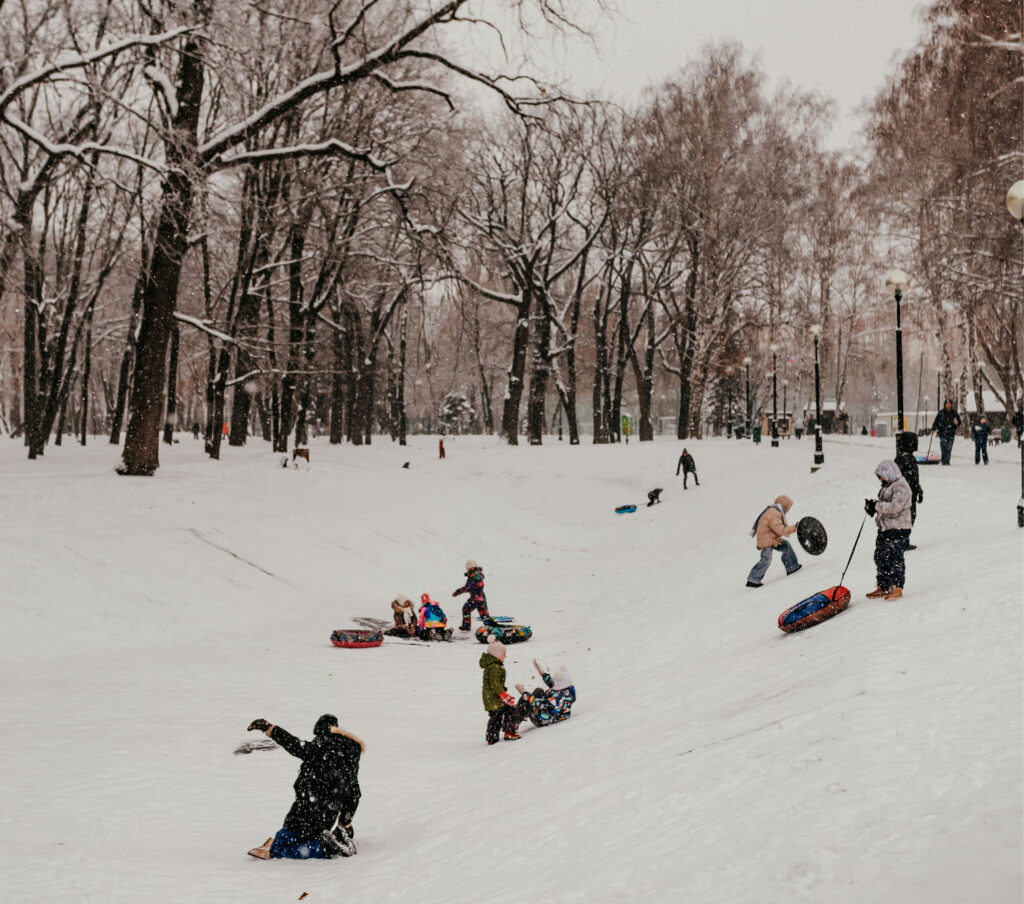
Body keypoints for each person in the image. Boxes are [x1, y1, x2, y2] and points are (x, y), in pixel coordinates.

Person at [245, 714, 364, 860]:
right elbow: (354, 792)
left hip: (308, 807)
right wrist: (345, 822)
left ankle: (322, 847)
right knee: (308, 835)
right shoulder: (350, 757)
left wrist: (270, 728)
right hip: (329, 813)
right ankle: (325, 842)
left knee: (281, 845)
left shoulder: (321, 746)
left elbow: (294, 744)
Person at [864, 459, 913, 601]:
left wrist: (877, 506)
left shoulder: (901, 486)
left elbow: (894, 508)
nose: (880, 479)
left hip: (899, 528)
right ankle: (883, 585)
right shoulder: (889, 485)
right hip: (886, 528)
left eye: (882, 476)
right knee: (881, 556)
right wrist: (873, 507)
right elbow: (885, 505)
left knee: (895, 557)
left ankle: (897, 587)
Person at [746, 495, 801, 588]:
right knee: (766, 559)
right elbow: (781, 530)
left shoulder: (773, 511)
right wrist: (795, 527)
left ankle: (792, 567)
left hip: (771, 538)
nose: (787, 510)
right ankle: (753, 579)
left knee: (786, 546)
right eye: (787, 508)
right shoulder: (774, 514)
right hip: (766, 540)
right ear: (784, 506)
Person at [513, 660, 576, 728]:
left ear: (560, 683)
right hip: (543, 710)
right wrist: (539, 669)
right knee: (538, 691)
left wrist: (525, 693)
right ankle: (520, 712)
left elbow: (544, 704)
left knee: (526, 699)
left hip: (544, 719)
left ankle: (514, 722)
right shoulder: (562, 687)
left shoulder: (564, 696)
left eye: (556, 681)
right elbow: (550, 681)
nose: (554, 682)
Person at [480, 639, 520, 745]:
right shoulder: (495, 667)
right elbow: (495, 684)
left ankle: (492, 738)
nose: (505, 656)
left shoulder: (493, 666)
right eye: (504, 654)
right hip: (494, 698)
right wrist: (504, 695)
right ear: (497, 655)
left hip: (490, 697)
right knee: (509, 710)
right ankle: (508, 732)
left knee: (495, 717)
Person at [894, 432, 923, 551]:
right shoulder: (908, 459)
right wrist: (917, 490)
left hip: (904, 494)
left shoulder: (900, 458)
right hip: (907, 495)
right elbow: (912, 478)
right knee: (908, 518)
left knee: (906, 518)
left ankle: (902, 540)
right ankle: (902, 541)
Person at [453, 559, 489, 631]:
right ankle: (489, 626)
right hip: (481, 597)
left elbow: (467, 588)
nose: (467, 571)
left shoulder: (473, 577)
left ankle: (466, 626)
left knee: (466, 609)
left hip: (475, 598)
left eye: (467, 569)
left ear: (471, 568)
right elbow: (475, 586)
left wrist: (458, 592)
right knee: (483, 613)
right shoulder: (478, 575)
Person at [931, 399, 961, 465]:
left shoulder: (954, 413)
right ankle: (944, 460)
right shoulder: (941, 413)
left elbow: (959, 422)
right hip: (942, 433)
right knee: (943, 447)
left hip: (951, 433)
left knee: (948, 448)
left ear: (951, 405)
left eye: (949, 405)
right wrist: (933, 429)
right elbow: (936, 422)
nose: (948, 406)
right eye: (947, 405)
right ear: (945, 405)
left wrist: (956, 423)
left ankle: (947, 460)